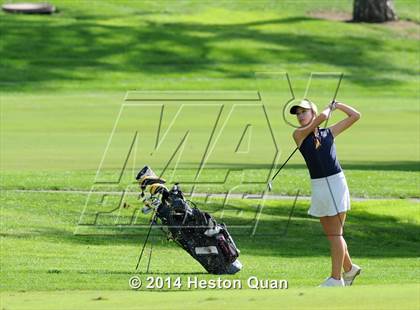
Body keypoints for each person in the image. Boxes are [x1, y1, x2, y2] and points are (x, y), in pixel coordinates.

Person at [290, 99, 362, 287]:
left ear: (311, 112)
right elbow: (322, 117)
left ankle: (336, 279)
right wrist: (328, 109)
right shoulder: (298, 135)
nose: (299, 116)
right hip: (319, 186)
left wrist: (338, 105)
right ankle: (350, 269)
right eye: (297, 113)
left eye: (303, 112)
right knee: (332, 234)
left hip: (336, 183)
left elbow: (355, 116)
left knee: (336, 235)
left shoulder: (329, 132)